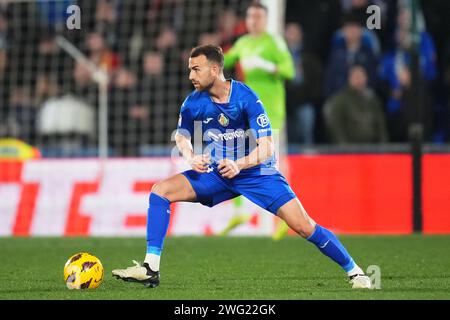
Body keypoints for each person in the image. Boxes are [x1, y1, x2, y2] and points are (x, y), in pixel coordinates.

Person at [111, 44, 372, 289]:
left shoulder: (246, 97)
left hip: (256, 172)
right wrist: (191, 157)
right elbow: (181, 136)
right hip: (218, 173)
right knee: (160, 191)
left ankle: (355, 271)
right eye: (190, 69)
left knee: (303, 226)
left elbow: (268, 147)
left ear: (215, 69)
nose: (190, 74)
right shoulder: (193, 102)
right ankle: (150, 268)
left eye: (196, 68)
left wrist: (239, 164)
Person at [220, 1, 295, 239]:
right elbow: (224, 61)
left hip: (271, 109)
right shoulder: (243, 43)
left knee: (270, 162)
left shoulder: (274, 42)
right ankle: (239, 211)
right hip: (247, 109)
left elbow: (290, 71)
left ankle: (286, 215)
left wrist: (268, 66)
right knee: (235, 152)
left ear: (266, 19)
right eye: (251, 17)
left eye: (259, 17)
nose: (254, 21)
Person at [324, 65, 388, 144]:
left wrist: (384, 146)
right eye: (356, 77)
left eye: (361, 76)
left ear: (366, 78)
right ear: (349, 79)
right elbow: (337, 126)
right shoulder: (340, 100)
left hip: (372, 148)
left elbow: (380, 124)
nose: (359, 80)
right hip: (351, 149)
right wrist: (344, 148)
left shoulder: (372, 99)